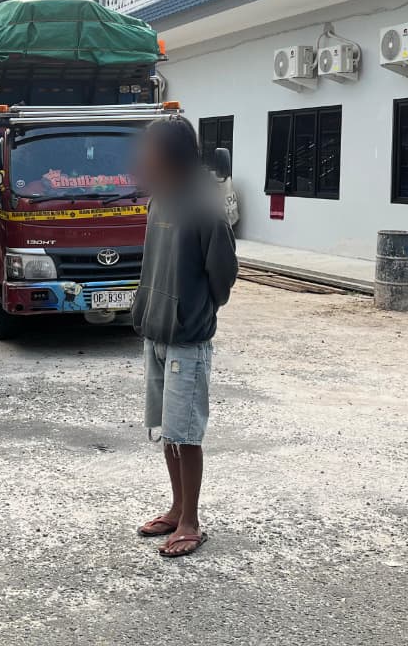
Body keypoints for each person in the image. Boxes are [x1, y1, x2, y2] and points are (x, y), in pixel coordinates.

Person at [131, 116, 237, 558]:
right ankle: (176, 509)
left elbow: (224, 274)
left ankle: (191, 522)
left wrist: (194, 311)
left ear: (171, 152)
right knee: (167, 431)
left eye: (150, 148)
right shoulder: (161, 199)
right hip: (155, 332)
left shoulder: (203, 205)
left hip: (186, 338)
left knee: (187, 433)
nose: (143, 156)